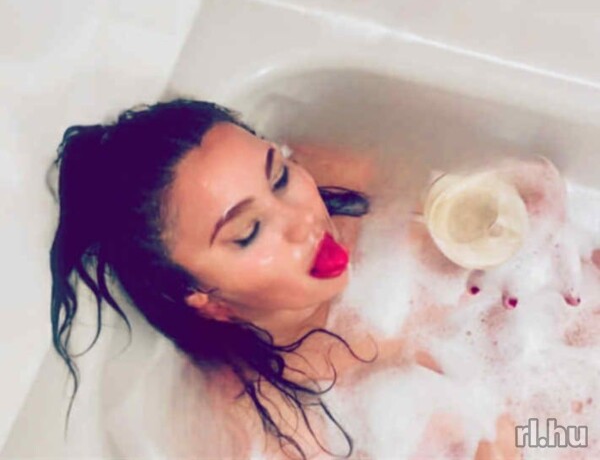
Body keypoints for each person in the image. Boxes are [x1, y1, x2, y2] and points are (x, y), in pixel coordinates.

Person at [48, 99, 521, 459]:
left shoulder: (343, 179)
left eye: (278, 177)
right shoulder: (261, 427)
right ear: (204, 298)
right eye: (249, 231)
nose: (304, 221)